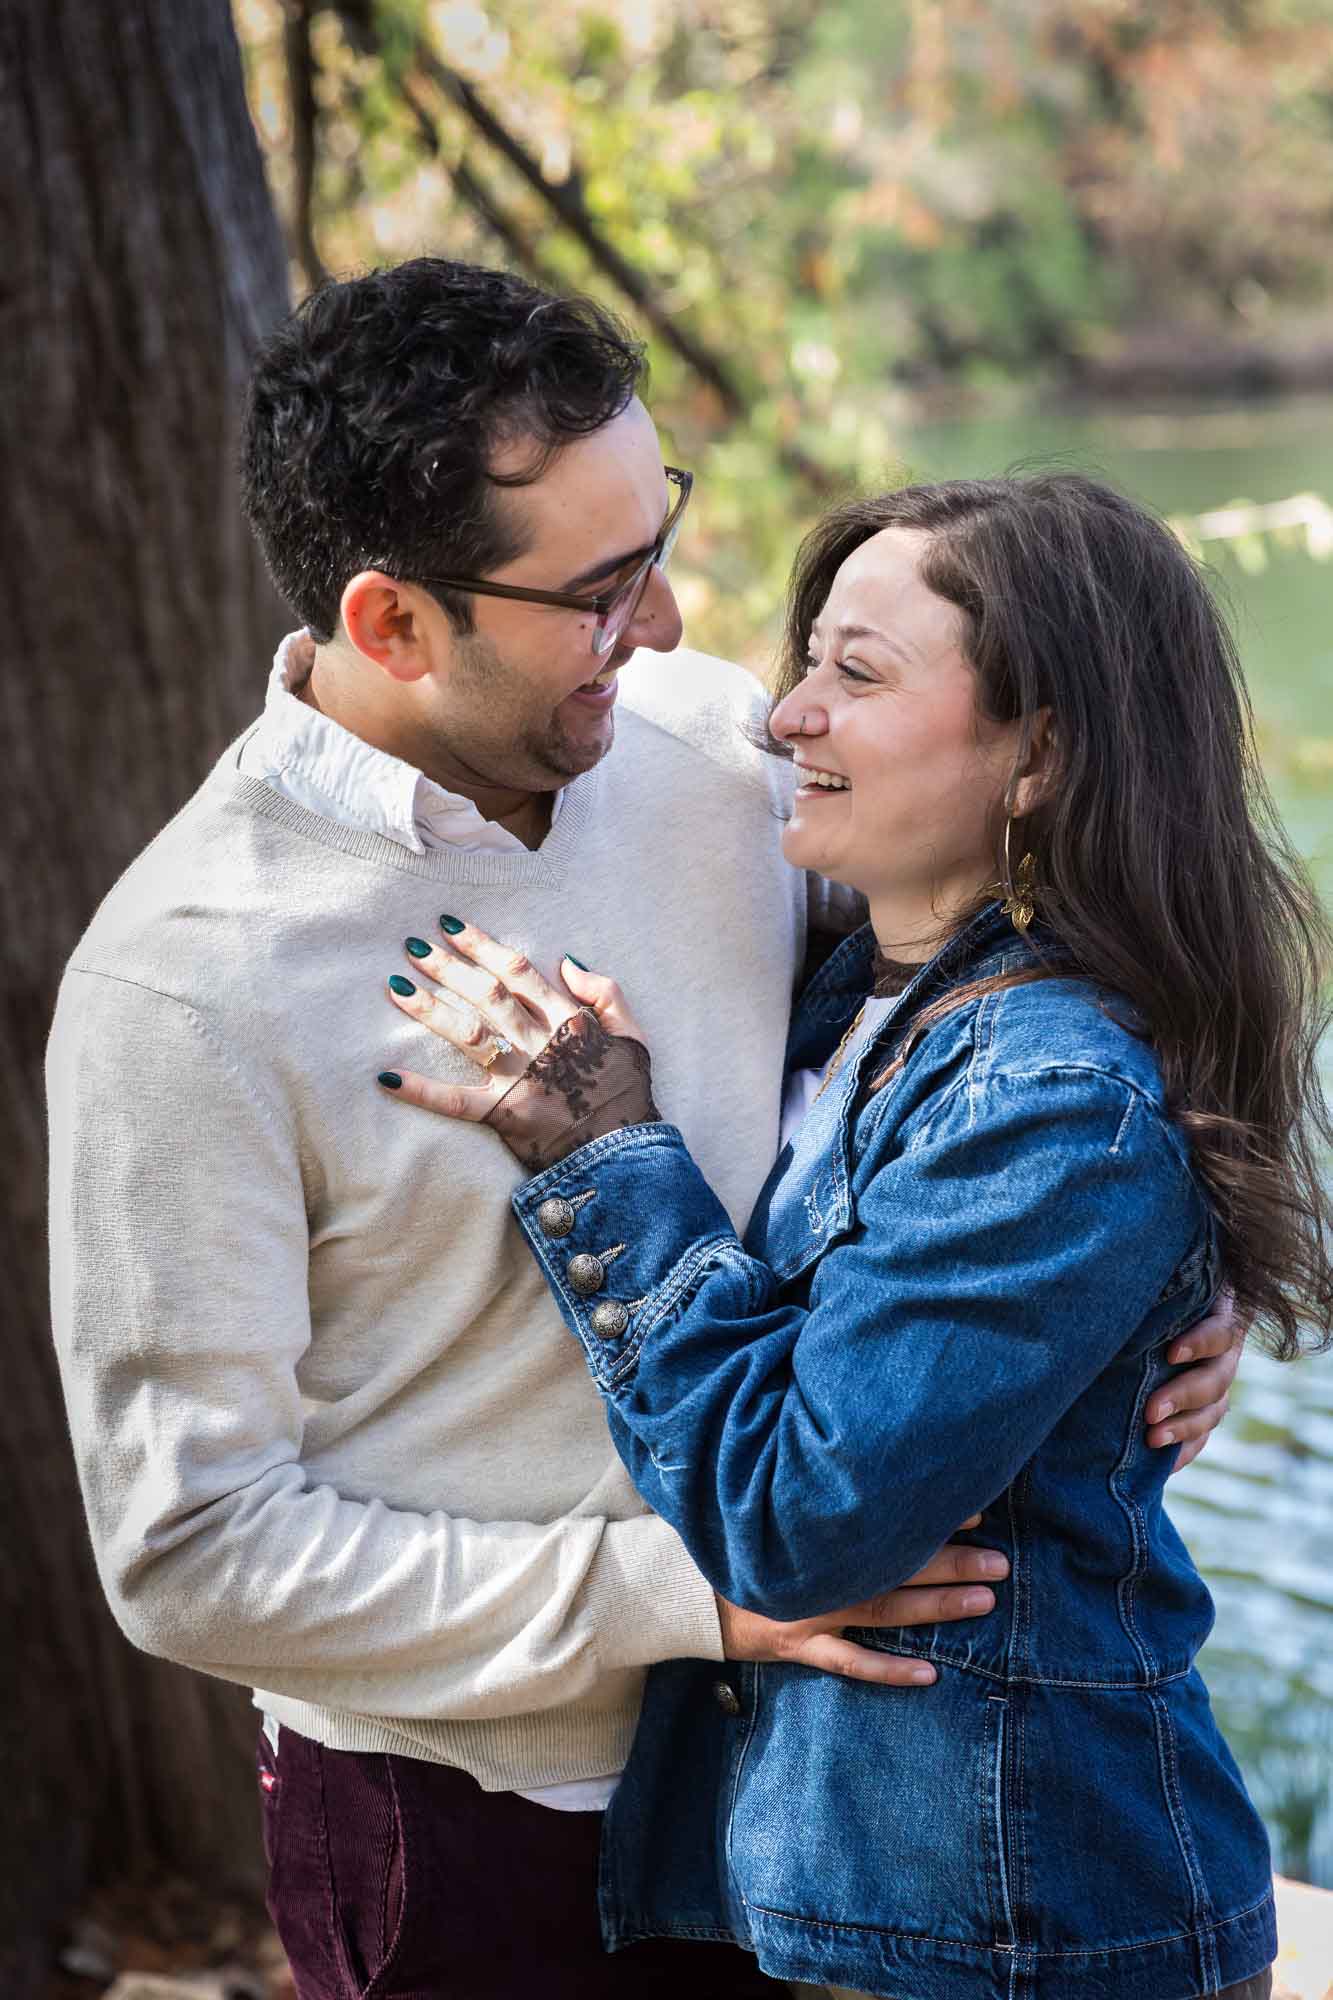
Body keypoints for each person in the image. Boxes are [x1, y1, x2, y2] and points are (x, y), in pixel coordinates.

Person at [47, 263, 1237, 2000]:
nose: (676, 626)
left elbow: (1000, 1052)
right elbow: (190, 1555)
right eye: (599, 592)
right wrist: (697, 1597)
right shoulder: (191, 984)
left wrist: (1156, 1312)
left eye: (654, 535)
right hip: (469, 1820)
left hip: (817, 1798)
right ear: (391, 622)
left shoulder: (709, 760)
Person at [379, 472, 1333, 2000]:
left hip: (1021, 1928)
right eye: (805, 662)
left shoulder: (1052, 1099)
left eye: (857, 676)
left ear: (1040, 755)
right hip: (871, 1903)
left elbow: (795, 1521)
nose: (782, 721)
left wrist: (606, 1149)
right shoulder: (850, 992)